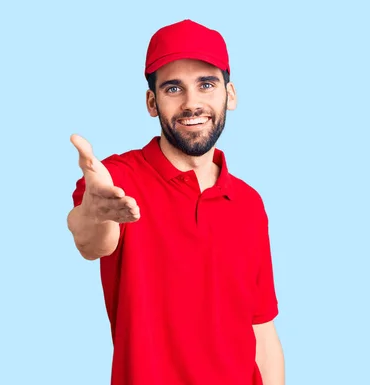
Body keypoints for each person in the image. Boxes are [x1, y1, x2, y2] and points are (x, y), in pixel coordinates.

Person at [66, 19, 284, 385]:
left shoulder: (248, 202)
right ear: (152, 102)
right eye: (173, 88)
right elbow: (92, 241)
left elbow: (261, 328)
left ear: (229, 94)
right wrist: (94, 212)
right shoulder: (118, 179)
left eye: (206, 84)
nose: (191, 103)